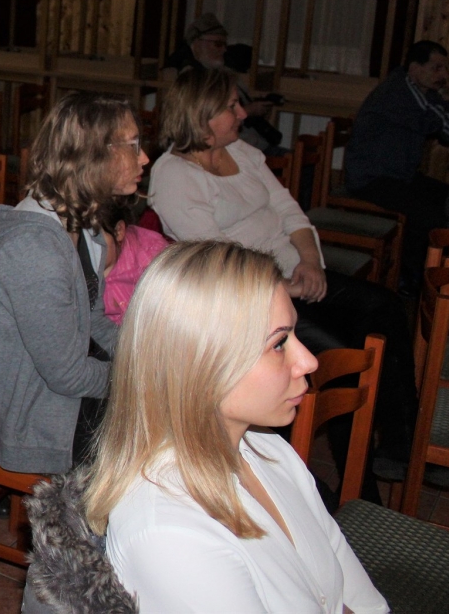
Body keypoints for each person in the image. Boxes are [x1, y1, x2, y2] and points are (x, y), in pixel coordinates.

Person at [28, 241, 388, 614]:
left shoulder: (265, 447)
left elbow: (353, 589)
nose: (309, 361)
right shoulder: (170, 534)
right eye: (279, 343)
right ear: (203, 364)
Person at [149, 67, 420, 492]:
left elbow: (291, 212)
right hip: (252, 300)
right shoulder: (173, 175)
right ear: (201, 116)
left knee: (384, 307)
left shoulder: (242, 152)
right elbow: (218, 258)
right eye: (231, 106)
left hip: (298, 274)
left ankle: (400, 444)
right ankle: (358, 489)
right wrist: (285, 286)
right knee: (341, 359)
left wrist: (310, 263)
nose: (242, 113)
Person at [0, 93, 148, 475]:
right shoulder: (33, 248)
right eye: (132, 145)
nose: (144, 158)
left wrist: (146, 355)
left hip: (64, 402)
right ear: (92, 156)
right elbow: (67, 375)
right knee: (165, 439)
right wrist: (141, 380)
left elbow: (95, 320)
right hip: (37, 422)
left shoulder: (82, 224)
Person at [345, 40, 449, 290]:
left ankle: (430, 273)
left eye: (445, 69)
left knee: (446, 197)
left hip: (396, 175)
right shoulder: (398, 93)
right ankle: (412, 279)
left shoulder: (418, 91)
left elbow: (441, 111)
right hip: (371, 179)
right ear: (415, 68)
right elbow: (436, 122)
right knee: (429, 215)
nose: (444, 75)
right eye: (436, 68)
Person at [163, 13, 284, 156]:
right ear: (196, 45)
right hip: (229, 151)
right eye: (218, 44)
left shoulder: (226, 72)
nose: (224, 50)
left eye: (224, 44)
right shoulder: (193, 80)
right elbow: (201, 121)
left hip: (252, 146)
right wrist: (249, 111)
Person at [98, 206, 168, 326]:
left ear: (118, 231)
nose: (86, 248)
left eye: (95, 238)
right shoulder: (73, 269)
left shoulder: (152, 256)